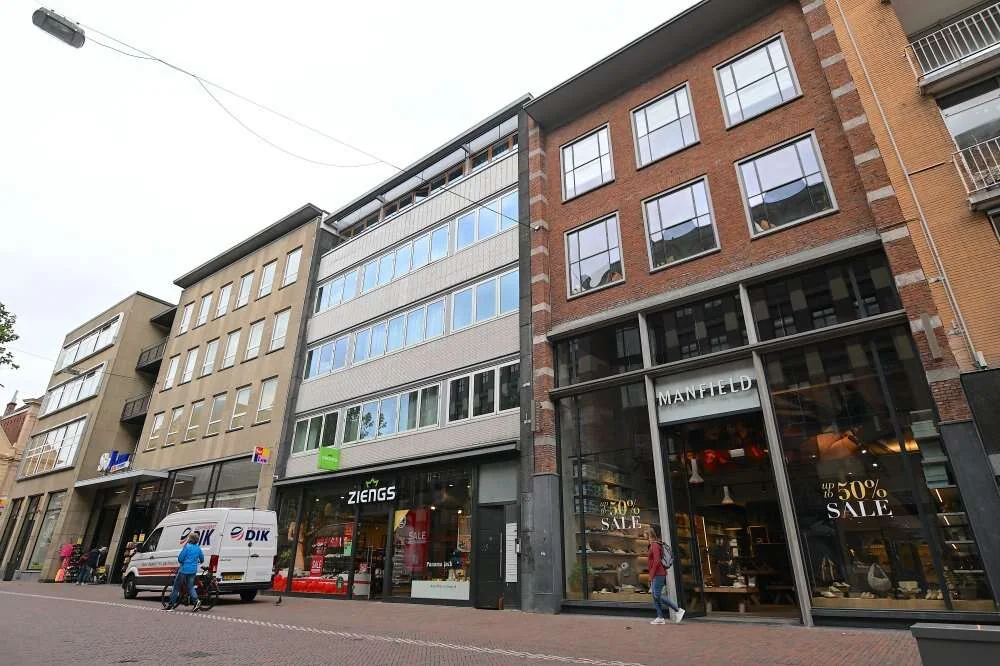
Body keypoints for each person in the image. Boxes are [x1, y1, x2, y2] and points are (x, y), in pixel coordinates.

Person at [648, 527, 684, 625]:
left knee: (657, 595)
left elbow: (656, 561)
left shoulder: (655, 545)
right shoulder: (655, 544)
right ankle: (660, 617)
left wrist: (651, 575)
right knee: (655, 596)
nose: (646, 537)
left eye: (647, 535)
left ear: (650, 535)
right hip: (657, 573)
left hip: (658, 574)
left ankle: (678, 610)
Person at [166, 532, 204, 611]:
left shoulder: (187, 547)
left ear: (190, 539)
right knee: (190, 586)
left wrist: (183, 562)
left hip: (184, 570)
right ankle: (196, 601)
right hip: (193, 571)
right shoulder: (198, 548)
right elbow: (202, 559)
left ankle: (171, 605)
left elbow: (180, 558)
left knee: (176, 587)